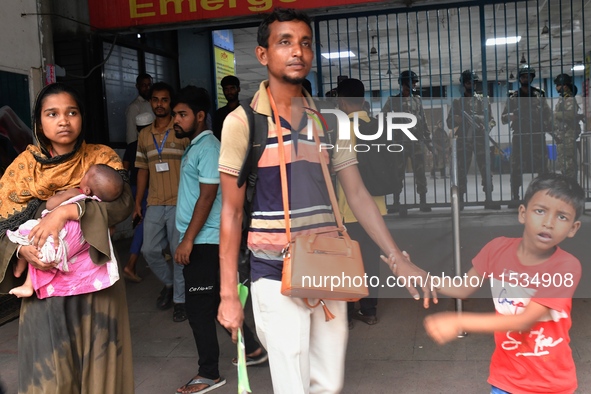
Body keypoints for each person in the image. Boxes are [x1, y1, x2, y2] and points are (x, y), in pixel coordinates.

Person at [217, 8, 432, 393]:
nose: (297, 51)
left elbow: (358, 194)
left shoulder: (331, 122)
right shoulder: (243, 123)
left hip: (328, 264)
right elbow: (231, 213)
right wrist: (229, 293)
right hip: (271, 270)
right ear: (263, 55)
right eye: (284, 42)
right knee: (292, 383)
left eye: (304, 43)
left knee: (329, 384)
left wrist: (398, 258)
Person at [0, 82, 134, 393]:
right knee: (48, 379)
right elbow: (3, 223)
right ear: (38, 121)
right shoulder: (22, 169)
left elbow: (122, 203)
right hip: (44, 292)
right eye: (53, 113)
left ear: (82, 117)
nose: (64, 120)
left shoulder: (101, 158)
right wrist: (21, 253)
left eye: (72, 112)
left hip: (97, 285)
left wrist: (69, 212)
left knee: (101, 375)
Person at [423, 173, 584, 394]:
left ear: (573, 228)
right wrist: (420, 276)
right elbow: (462, 288)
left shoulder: (566, 267)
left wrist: (458, 320)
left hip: (551, 384)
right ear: (523, 213)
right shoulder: (496, 249)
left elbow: (523, 321)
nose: (549, 222)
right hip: (506, 380)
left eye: (562, 217)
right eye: (540, 211)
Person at [172, 86, 267, 394]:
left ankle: (209, 373)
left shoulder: (209, 148)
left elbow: (208, 196)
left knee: (199, 308)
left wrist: (188, 240)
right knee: (213, 303)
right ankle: (252, 349)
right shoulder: (196, 146)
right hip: (202, 239)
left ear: (200, 116)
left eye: (182, 114)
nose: (176, 119)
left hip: (205, 240)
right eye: (175, 114)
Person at [7, 164, 124, 299]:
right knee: (38, 249)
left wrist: (64, 194)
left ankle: (21, 271)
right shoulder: (96, 208)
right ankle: (28, 284)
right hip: (66, 251)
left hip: (53, 238)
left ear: (86, 189)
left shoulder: (76, 193)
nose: (83, 175)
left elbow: (50, 205)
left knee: (26, 231)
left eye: (86, 175)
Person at [134, 82, 190, 322]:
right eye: (155, 100)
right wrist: (138, 202)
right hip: (155, 202)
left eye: (164, 100)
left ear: (171, 103)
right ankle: (170, 285)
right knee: (149, 250)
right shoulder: (144, 135)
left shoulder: (181, 131)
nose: (159, 104)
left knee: (179, 254)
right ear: (151, 103)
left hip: (180, 201)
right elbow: (143, 170)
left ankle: (180, 300)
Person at [335, 79, 384, 327]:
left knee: (349, 261)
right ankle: (370, 309)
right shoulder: (375, 125)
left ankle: (347, 310)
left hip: (349, 208)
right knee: (371, 260)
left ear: (342, 102)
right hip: (377, 207)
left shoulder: (345, 129)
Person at [446, 70, 499, 209]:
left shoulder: (482, 101)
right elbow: (448, 123)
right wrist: (456, 120)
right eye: (469, 82)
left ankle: (489, 198)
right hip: (464, 141)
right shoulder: (457, 103)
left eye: (473, 82)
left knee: (486, 170)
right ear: (463, 84)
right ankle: (461, 200)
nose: (472, 85)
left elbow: (492, 121)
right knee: (461, 171)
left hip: (481, 140)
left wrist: (484, 126)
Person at [501, 64, 552, 207]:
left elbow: (547, 115)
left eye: (528, 76)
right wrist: (511, 117)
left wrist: (551, 129)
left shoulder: (539, 94)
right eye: (523, 76)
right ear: (519, 78)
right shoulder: (513, 96)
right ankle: (515, 196)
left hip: (537, 135)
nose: (526, 78)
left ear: (532, 78)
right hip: (520, 136)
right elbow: (503, 118)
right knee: (516, 167)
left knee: (542, 168)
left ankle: (543, 197)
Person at [382, 70, 432, 213]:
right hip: (399, 143)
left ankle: (423, 201)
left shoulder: (417, 100)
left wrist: (428, 140)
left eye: (415, 82)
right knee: (397, 173)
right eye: (413, 81)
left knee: (420, 172)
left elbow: (423, 122)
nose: (415, 84)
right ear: (403, 83)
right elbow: (383, 120)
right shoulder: (392, 101)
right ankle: (396, 202)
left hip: (415, 142)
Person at [122, 111, 155, 283]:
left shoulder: (130, 146)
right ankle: (131, 264)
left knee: (142, 223)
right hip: (149, 191)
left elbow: (123, 172)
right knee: (143, 226)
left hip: (133, 189)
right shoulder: (152, 145)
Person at [553, 73, 581, 181]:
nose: (556, 87)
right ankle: (569, 186)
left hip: (568, 136)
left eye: (557, 85)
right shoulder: (563, 99)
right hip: (562, 136)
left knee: (568, 164)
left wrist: (554, 114)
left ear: (564, 86)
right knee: (564, 163)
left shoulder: (569, 99)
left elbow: (570, 115)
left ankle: (572, 188)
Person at [126, 73, 153, 144]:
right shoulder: (134, 107)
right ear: (137, 86)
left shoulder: (154, 103)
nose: (147, 88)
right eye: (144, 85)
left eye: (149, 85)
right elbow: (131, 134)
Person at [212, 75, 241, 141]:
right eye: (226, 89)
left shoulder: (245, 111)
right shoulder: (219, 114)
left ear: (238, 89)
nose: (229, 92)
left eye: (232, 88)